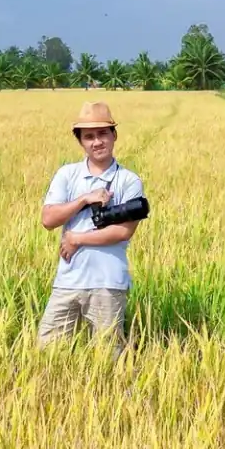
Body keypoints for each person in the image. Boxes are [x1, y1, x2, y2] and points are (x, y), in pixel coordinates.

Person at [38, 101, 145, 347]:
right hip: (67, 281)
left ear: (114, 135)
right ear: (81, 142)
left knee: (108, 357)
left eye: (102, 134)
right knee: (47, 351)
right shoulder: (68, 174)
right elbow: (48, 219)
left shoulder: (129, 181)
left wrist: (76, 238)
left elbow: (122, 232)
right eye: (89, 137)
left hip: (108, 283)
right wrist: (85, 199)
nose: (97, 142)